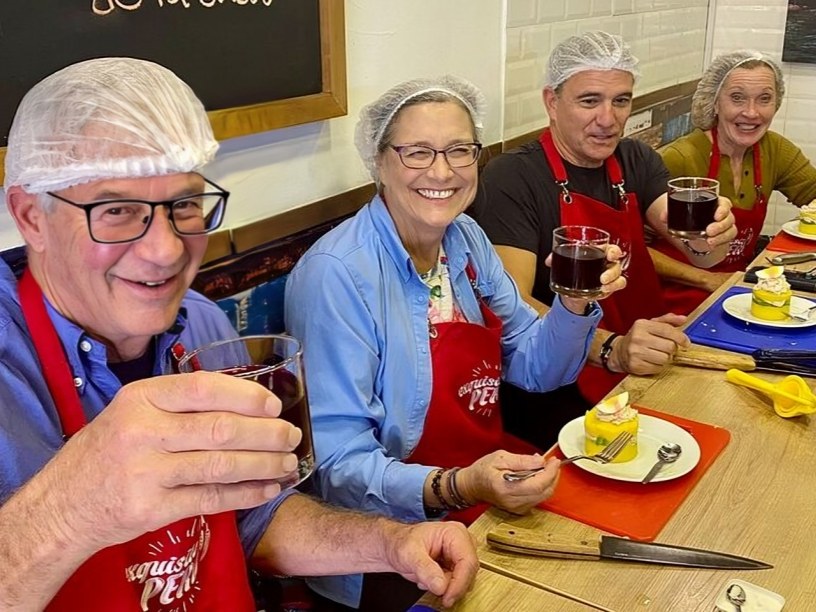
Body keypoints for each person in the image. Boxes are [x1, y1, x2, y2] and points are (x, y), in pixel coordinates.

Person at [0, 57, 478, 611]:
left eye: (184, 205)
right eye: (117, 211)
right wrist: (71, 504)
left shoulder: (202, 324)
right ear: (31, 215)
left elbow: (253, 516)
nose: (166, 250)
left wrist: (391, 542)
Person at [284, 74, 626, 609]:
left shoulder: (465, 240)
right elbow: (339, 468)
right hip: (386, 547)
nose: (442, 172)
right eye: (417, 152)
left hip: (480, 501)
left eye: (460, 151)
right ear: (378, 161)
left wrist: (575, 303)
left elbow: (538, 367)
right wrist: (462, 486)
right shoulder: (337, 274)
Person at [470, 31, 737, 447]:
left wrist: (716, 235)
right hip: (557, 386)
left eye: (622, 100)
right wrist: (609, 347)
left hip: (646, 351)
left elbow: (697, 250)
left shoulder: (635, 159)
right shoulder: (513, 178)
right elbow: (513, 302)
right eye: (589, 100)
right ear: (551, 102)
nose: (609, 119)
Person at [654, 50, 816, 314]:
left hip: (735, 293)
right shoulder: (679, 159)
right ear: (714, 102)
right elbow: (633, 250)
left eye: (764, 99)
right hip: (671, 303)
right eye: (737, 98)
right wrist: (707, 279)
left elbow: (813, 195)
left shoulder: (774, 149)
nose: (751, 113)